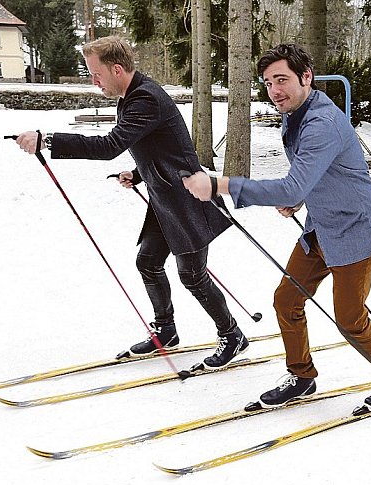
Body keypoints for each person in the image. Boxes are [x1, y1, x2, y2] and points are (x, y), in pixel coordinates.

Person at [183, 43, 371, 410]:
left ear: (306, 77)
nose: (274, 91)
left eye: (281, 80)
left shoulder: (322, 122)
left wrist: (218, 184)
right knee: (287, 300)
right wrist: (301, 199)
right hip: (321, 228)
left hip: (354, 231)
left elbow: (293, 182)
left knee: (351, 320)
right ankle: (302, 376)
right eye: (268, 83)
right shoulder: (299, 112)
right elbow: (314, 173)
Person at [14, 36, 248, 369]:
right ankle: (166, 330)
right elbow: (162, 146)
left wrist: (48, 140)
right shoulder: (131, 97)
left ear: (118, 69)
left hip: (186, 199)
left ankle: (232, 335)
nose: (94, 81)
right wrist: (139, 174)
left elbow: (109, 145)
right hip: (164, 198)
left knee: (192, 276)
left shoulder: (145, 99)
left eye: (97, 74)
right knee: (148, 262)